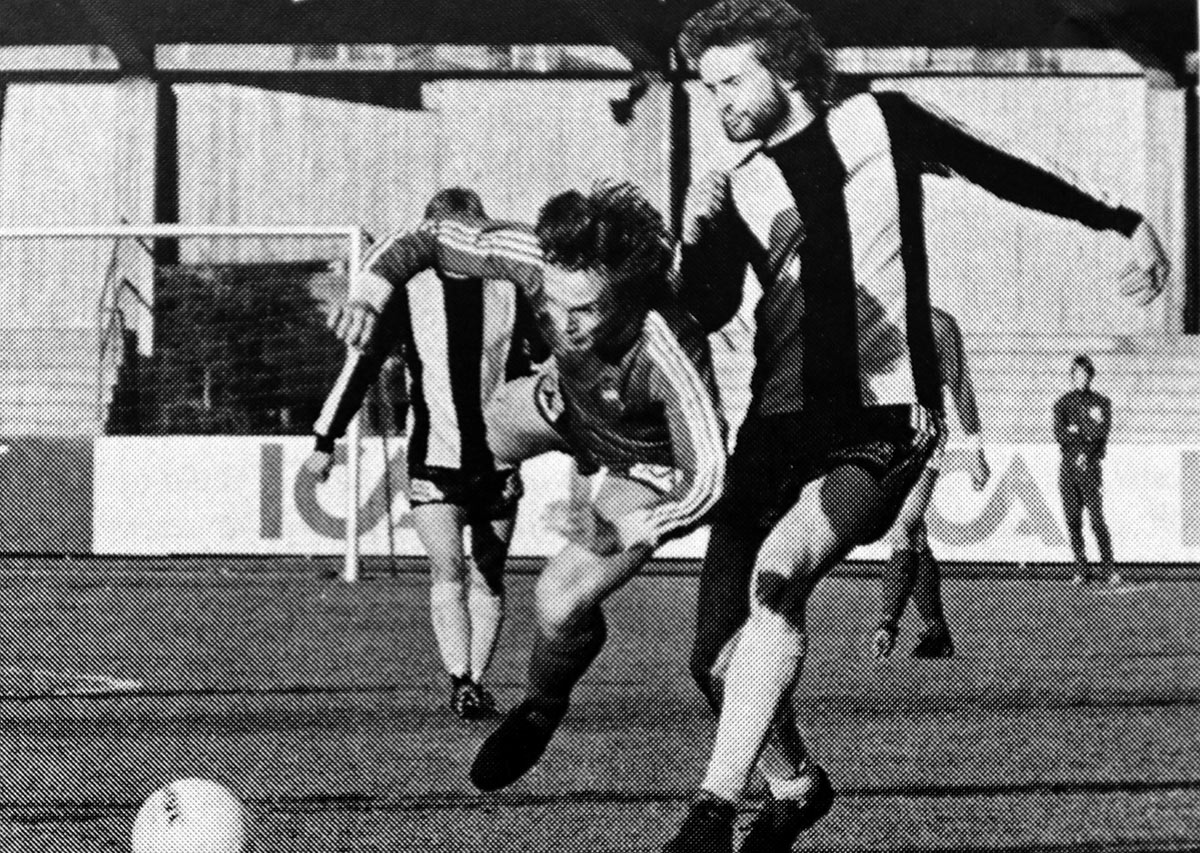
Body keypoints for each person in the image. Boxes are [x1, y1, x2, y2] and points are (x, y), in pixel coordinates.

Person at [666, 2, 1168, 851]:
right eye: (707, 87)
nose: (718, 102)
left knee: (778, 577)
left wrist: (1123, 220)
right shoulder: (740, 185)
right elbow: (704, 309)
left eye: (731, 81)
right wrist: (694, 232)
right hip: (773, 429)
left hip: (883, 415)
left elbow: (1002, 165)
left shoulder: (881, 121)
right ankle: (794, 787)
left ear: (784, 69)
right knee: (713, 657)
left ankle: (710, 812)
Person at [326, 182, 727, 792]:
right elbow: (430, 237)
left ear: (629, 295)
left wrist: (622, 529)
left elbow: (710, 478)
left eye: (584, 311)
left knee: (558, 602)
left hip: (642, 459)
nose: (562, 325)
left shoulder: (667, 343)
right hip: (563, 405)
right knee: (481, 425)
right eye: (554, 306)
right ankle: (492, 524)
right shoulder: (541, 261)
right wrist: (369, 293)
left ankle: (541, 707)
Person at [308, 188, 540, 720]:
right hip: (434, 459)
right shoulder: (410, 292)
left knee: (488, 574)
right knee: (448, 569)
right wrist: (325, 440)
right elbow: (362, 366)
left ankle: (474, 680)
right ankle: (461, 679)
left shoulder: (511, 289)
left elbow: (546, 363)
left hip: (499, 461)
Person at [872, 307, 990, 660]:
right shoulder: (870, 316)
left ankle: (887, 623)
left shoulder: (938, 324)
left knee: (903, 526)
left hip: (921, 430)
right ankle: (935, 632)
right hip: (878, 430)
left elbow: (960, 384)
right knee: (914, 534)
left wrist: (975, 449)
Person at [1053, 354, 1117, 586]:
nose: (1081, 377)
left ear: (1091, 375)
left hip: (1090, 469)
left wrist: (1083, 445)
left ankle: (1109, 569)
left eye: (1085, 374)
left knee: (1097, 520)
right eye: (1077, 374)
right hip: (1068, 469)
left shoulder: (1102, 402)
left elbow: (1101, 434)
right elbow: (1059, 435)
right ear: (1072, 376)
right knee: (1072, 520)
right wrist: (1084, 432)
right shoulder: (1062, 403)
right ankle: (1081, 569)